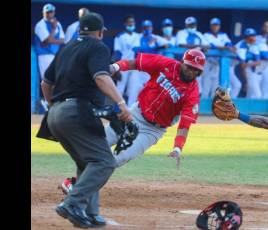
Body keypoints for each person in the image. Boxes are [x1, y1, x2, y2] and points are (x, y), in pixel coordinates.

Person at [60, 49, 205, 198]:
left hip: (152, 131)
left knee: (116, 159)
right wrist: (115, 67)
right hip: (134, 114)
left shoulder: (192, 93)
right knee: (98, 141)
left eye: (195, 70)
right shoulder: (166, 64)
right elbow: (136, 63)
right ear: (182, 62)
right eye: (189, 66)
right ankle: (80, 183)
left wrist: (178, 147)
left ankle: (76, 185)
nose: (191, 71)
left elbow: (185, 125)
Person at [40, 12, 132, 228]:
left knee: (87, 162)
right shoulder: (98, 46)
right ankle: (72, 204)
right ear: (100, 32)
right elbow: (101, 77)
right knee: (104, 161)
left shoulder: (66, 47)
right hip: (78, 112)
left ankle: (90, 213)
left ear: (80, 29)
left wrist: (56, 108)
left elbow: (46, 83)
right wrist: (121, 104)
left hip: (55, 115)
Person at [176, 16, 210, 96]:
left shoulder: (198, 34)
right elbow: (181, 44)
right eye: (190, 25)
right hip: (184, 63)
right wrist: (197, 47)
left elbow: (207, 46)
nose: (192, 27)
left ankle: (196, 102)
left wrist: (199, 47)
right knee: (182, 82)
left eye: (193, 25)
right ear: (186, 25)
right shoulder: (181, 33)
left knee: (198, 83)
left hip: (196, 64)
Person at [112, 15, 141, 107]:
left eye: (133, 22)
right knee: (120, 87)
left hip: (135, 65)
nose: (131, 24)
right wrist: (116, 68)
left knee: (133, 88)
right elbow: (117, 52)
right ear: (125, 24)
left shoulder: (138, 36)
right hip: (123, 64)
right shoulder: (120, 36)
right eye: (129, 22)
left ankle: (130, 111)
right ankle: (117, 109)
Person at [202, 18, 234, 98]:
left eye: (217, 25)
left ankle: (212, 109)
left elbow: (229, 44)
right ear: (211, 26)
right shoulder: (206, 35)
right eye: (213, 25)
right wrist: (223, 47)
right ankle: (201, 109)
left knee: (215, 88)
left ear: (219, 26)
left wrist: (226, 47)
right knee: (206, 87)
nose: (215, 27)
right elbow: (210, 46)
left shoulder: (223, 35)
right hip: (208, 63)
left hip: (218, 64)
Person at [234, 28, 261, 98]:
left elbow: (258, 62)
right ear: (246, 38)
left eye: (253, 36)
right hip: (230, 66)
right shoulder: (241, 46)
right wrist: (246, 81)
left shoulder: (253, 45)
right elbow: (243, 66)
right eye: (250, 36)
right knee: (236, 86)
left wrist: (249, 64)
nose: (253, 38)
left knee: (251, 92)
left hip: (240, 67)